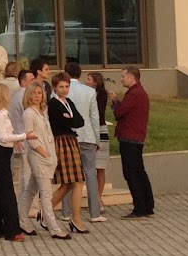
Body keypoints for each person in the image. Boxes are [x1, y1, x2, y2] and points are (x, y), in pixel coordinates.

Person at [19, 80, 71, 240]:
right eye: (34, 93)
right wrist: (44, 153)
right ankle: (54, 228)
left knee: (30, 191)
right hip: (39, 156)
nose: (37, 96)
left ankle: (21, 221)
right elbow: (30, 137)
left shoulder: (42, 112)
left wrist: (50, 154)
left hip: (48, 155)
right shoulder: (29, 113)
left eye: (39, 93)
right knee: (46, 194)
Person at [0, 83, 30, 242]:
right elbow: (3, 137)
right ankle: (12, 230)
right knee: (6, 191)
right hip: (0, 153)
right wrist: (24, 136)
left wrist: (15, 140)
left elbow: (5, 134)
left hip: (1, 151)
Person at [47, 72, 90, 234]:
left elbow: (80, 121)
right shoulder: (53, 104)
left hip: (71, 140)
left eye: (66, 86)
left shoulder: (69, 102)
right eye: (61, 87)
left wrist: (69, 120)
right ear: (54, 88)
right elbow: (62, 122)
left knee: (70, 183)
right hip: (62, 142)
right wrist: (69, 120)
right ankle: (76, 218)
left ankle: (46, 211)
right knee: (76, 180)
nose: (64, 90)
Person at [111, 65, 154, 218]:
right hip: (136, 137)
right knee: (139, 171)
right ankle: (147, 205)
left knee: (132, 173)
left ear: (131, 77)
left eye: (123, 76)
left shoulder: (134, 94)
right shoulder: (138, 92)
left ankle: (140, 207)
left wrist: (115, 102)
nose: (121, 79)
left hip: (130, 137)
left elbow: (119, 112)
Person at [65, 62, 105, 222]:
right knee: (90, 173)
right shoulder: (89, 91)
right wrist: (97, 139)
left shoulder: (61, 90)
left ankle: (66, 212)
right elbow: (94, 117)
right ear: (80, 74)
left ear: (66, 73)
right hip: (87, 136)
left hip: (68, 137)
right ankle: (95, 213)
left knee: (69, 174)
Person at [88, 71, 113, 208]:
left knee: (100, 166)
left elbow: (98, 111)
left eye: (89, 79)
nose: (86, 81)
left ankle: (98, 197)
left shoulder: (102, 94)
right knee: (91, 166)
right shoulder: (86, 93)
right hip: (89, 130)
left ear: (95, 82)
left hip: (100, 129)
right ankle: (93, 197)